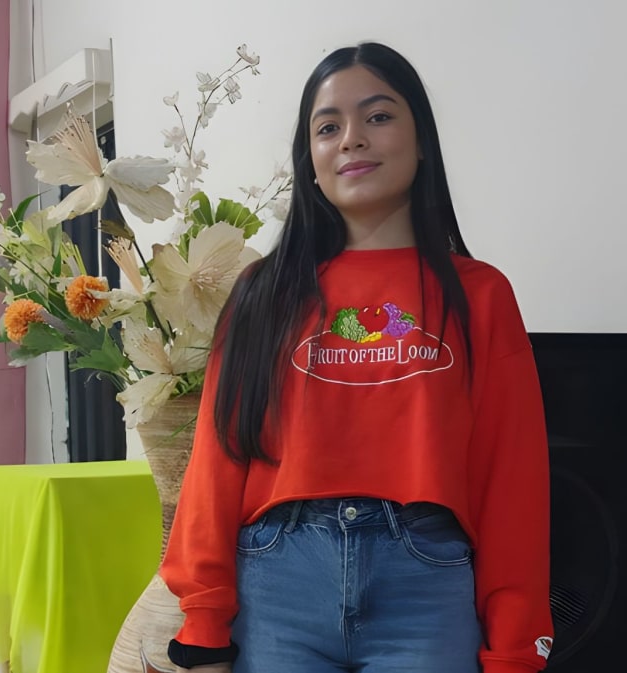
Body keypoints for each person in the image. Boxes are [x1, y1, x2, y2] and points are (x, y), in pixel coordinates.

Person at [159, 41, 554, 673]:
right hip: (278, 588)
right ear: (309, 159)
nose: (352, 139)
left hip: (426, 588)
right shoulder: (263, 292)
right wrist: (203, 624)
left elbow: (513, 479)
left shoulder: (479, 295)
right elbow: (216, 461)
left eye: (378, 116)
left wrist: (515, 646)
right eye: (328, 127)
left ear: (421, 142)